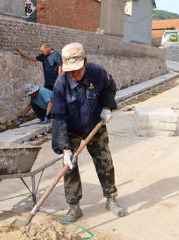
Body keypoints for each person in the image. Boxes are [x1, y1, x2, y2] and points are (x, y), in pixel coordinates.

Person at [51, 42, 126, 224]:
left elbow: (110, 87)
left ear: (85, 62)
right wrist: (65, 149)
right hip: (72, 129)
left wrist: (107, 107)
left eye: (78, 70)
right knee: (69, 167)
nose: (75, 75)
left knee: (104, 160)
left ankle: (110, 198)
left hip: (95, 124)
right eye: (71, 71)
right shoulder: (61, 84)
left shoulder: (97, 72)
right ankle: (74, 207)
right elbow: (58, 117)